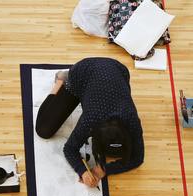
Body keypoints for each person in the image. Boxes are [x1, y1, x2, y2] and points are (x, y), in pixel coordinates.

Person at [34, 57, 144, 188]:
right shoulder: (91, 120)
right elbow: (69, 148)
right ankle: (61, 81)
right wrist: (82, 171)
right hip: (83, 74)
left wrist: (103, 169)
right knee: (44, 130)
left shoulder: (132, 120)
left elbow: (137, 158)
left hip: (118, 70)